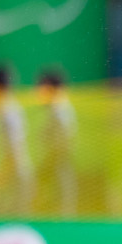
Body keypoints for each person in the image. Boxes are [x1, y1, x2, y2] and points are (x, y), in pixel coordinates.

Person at [34, 69, 79, 215]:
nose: (38, 92)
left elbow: (63, 145)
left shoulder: (61, 111)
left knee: (62, 210)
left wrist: (48, 165)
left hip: (59, 169)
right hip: (54, 169)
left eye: (42, 87)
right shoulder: (54, 110)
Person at [0, 65, 32, 213]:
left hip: (15, 176)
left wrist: (3, 176)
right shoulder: (6, 107)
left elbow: (15, 148)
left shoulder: (7, 110)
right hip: (15, 173)